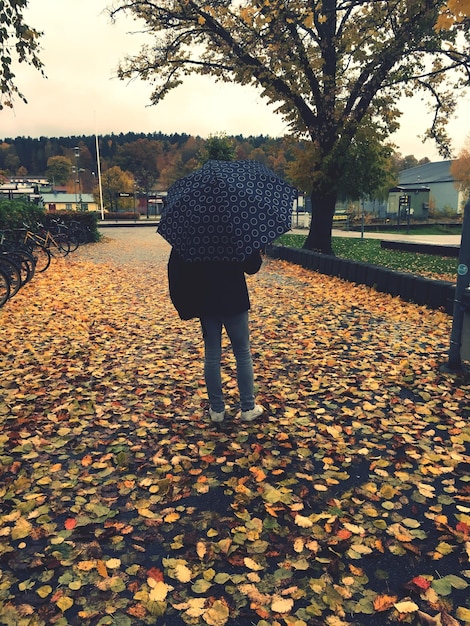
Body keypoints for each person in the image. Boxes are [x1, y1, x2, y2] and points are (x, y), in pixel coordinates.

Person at [167, 248, 264, 423]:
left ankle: (217, 410)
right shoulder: (236, 229)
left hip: (207, 300)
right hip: (234, 299)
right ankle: (248, 407)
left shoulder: (195, 233)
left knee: (212, 355)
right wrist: (256, 250)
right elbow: (252, 267)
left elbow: (179, 267)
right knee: (242, 353)